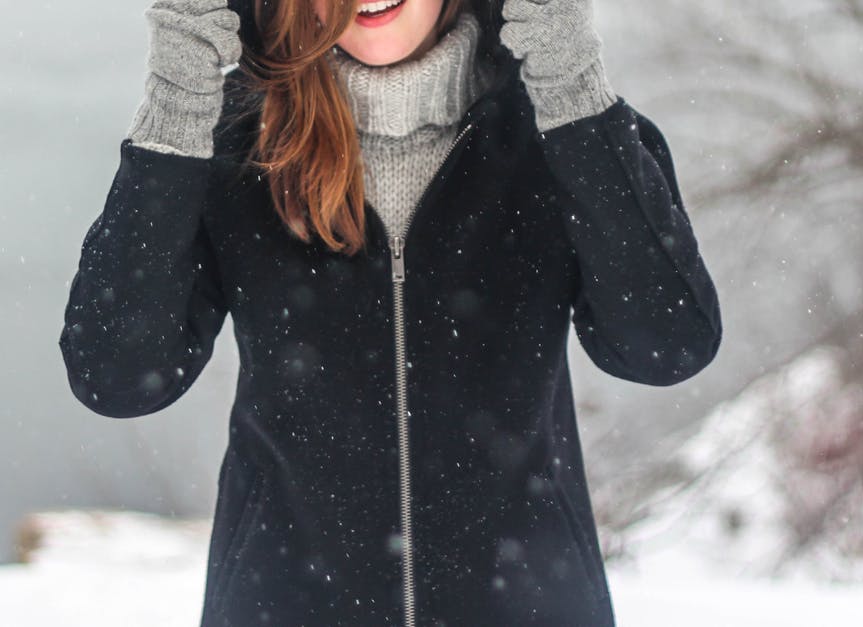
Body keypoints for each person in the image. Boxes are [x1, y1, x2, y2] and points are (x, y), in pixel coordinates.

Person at [57, 0, 722, 624]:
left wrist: (569, 78)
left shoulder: (560, 129)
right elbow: (116, 373)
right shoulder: (236, 144)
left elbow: (666, 345)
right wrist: (179, 95)